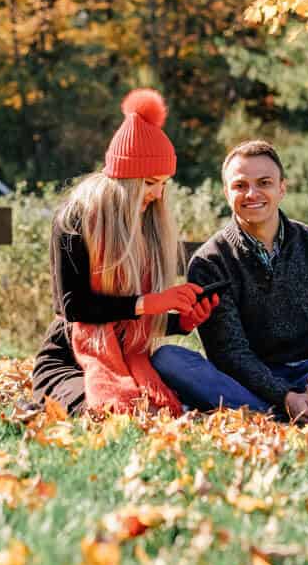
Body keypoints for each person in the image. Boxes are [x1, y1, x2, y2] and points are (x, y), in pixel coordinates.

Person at [151, 140, 308, 423]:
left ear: (281, 188)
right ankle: (297, 411)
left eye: (264, 182)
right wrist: (285, 395)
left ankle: (266, 413)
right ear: (226, 193)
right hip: (247, 380)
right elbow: (229, 354)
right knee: (168, 359)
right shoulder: (210, 262)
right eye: (240, 186)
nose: (252, 194)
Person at [31, 89, 218, 416]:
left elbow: (132, 323)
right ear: (126, 179)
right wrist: (149, 303)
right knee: (110, 414)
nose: (158, 194)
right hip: (68, 357)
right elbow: (73, 306)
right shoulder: (76, 219)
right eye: (148, 182)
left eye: (163, 183)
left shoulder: (147, 225)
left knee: (158, 411)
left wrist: (181, 322)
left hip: (130, 359)